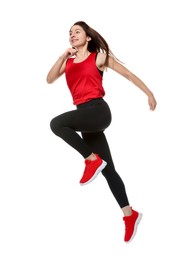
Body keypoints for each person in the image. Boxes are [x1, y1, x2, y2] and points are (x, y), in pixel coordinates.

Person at [46, 21, 157, 243]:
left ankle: (90, 159)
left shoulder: (98, 57)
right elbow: (49, 79)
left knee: (57, 124)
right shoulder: (68, 62)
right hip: (85, 118)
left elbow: (128, 75)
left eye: (77, 31)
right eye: (70, 33)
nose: (72, 35)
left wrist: (149, 93)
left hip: (97, 111)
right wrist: (61, 57)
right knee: (109, 170)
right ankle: (129, 214)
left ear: (88, 37)